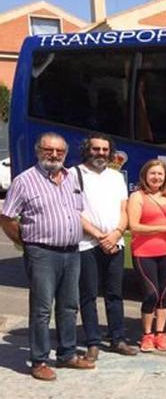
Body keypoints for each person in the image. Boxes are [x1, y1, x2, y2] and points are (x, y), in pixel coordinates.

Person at [0, 133, 95, 380]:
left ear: (65, 154)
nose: (54, 155)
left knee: (69, 306)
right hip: (42, 253)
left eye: (59, 151)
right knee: (42, 310)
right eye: (48, 150)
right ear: (38, 150)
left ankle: (67, 354)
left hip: (72, 252)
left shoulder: (72, 178)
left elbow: (77, 213)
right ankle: (39, 360)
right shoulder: (25, 181)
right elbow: (7, 216)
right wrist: (23, 242)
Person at [76, 133, 137, 360]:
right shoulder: (75, 175)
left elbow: (124, 210)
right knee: (88, 294)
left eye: (104, 149)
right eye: (96, 149)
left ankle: (117, 338)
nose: (100, 153)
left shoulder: (115, 177)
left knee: (115, 294)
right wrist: (101, 236)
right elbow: (74, 212)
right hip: (86, 243)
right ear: (87, 150)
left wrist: (117, 234)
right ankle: (92, 341)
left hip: (115, 242)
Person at [127, 159, 166, 353]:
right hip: (144, 252)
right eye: (152, 174)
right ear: (145, 176)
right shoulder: (137, 196)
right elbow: (134, 226)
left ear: (165, 177)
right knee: (151, 294)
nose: (156, 177)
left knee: (165, 294)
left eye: (160, 174)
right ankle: (147, 334)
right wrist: (162, 228)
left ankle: (160, 333)